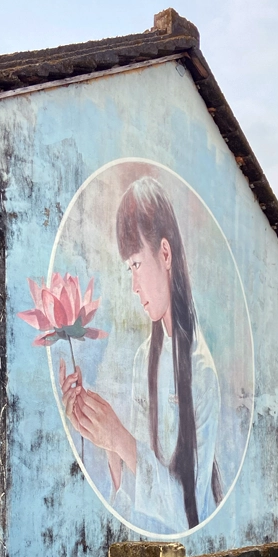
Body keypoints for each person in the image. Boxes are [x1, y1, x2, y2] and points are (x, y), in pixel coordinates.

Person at [59, 176, 221, 534]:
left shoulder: (202, 371)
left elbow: (187, 514)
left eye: (136, 264)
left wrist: (119, 438)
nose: (133, 286)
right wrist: (97, 430)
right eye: (128, 268)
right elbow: (134, 488)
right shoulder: (142, 359)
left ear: (165, 254)